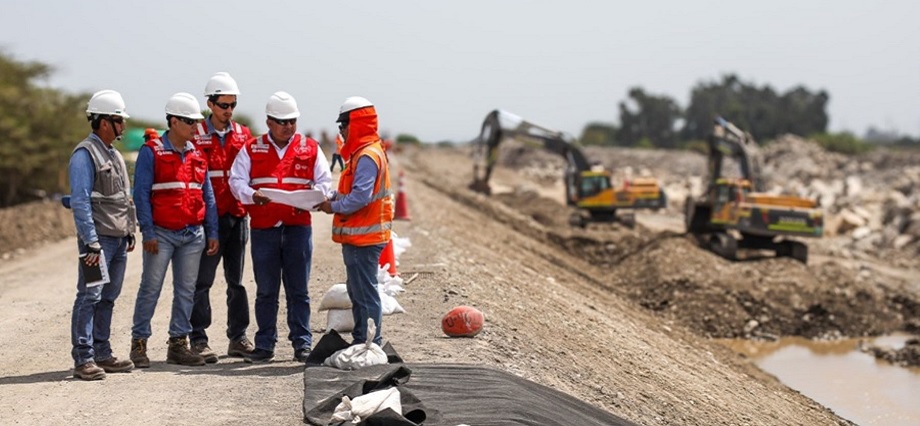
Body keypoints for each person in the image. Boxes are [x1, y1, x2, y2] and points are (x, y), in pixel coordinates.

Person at [229, 91, 332, 363]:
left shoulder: (310, 147)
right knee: (266, 290)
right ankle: (265, 344)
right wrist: (253, 196)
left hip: (298, 228)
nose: (288, 126)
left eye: (292, 121)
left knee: (298, 290)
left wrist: (311, 199)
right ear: (269, 122)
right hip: (265, 229)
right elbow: (236, 180)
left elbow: (324, 182)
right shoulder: (252, 148)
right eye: (282, 121)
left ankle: (302, 344)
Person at [130, 92, 220, 368]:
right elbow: (141, 194)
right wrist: (148, 232)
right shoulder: (152, 152)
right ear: (173, 121)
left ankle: (178, 344)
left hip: (193, 234)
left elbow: (208, 196)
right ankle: (139, 344)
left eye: (196, 122)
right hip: (162, 233)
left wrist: (212, 232)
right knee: (151, 288)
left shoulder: (197, 154)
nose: (196, 127)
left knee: (186, 290)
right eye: (191, 122)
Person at [68, 90, 137, 380]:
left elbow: (124, 196)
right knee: (90, 295)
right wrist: (91, 242)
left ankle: (102, 353)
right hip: (97, 241)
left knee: (108, 296)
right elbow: (81, 201)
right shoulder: (85, 155)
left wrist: (130, 229)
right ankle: (83, 358)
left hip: (118, 239)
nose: (123, 126)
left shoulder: (114, 154)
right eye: (119, 120)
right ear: (104, 122)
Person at [315, 96, 393, 346]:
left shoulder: (368, 155)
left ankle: (370, 343)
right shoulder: (364, 152)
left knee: (364, 294)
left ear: (356, 123)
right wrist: (332, 196)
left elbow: (361, 197)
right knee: (359, 292)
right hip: (360, 236)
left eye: (343, 125)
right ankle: (363, 340)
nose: (341, 131)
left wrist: (332, 206)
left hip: (364, 239)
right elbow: (354, 191)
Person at [188, 72, 255, 363]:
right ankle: (198, 339)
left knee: (236, 282)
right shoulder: (196, 135)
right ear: (210, 104)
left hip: (237, 216)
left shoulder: (243, 135)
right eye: (223, 105)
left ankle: (237, 338)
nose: (228, 111)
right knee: (202, 282)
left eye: (232, 105)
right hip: (208, 220)